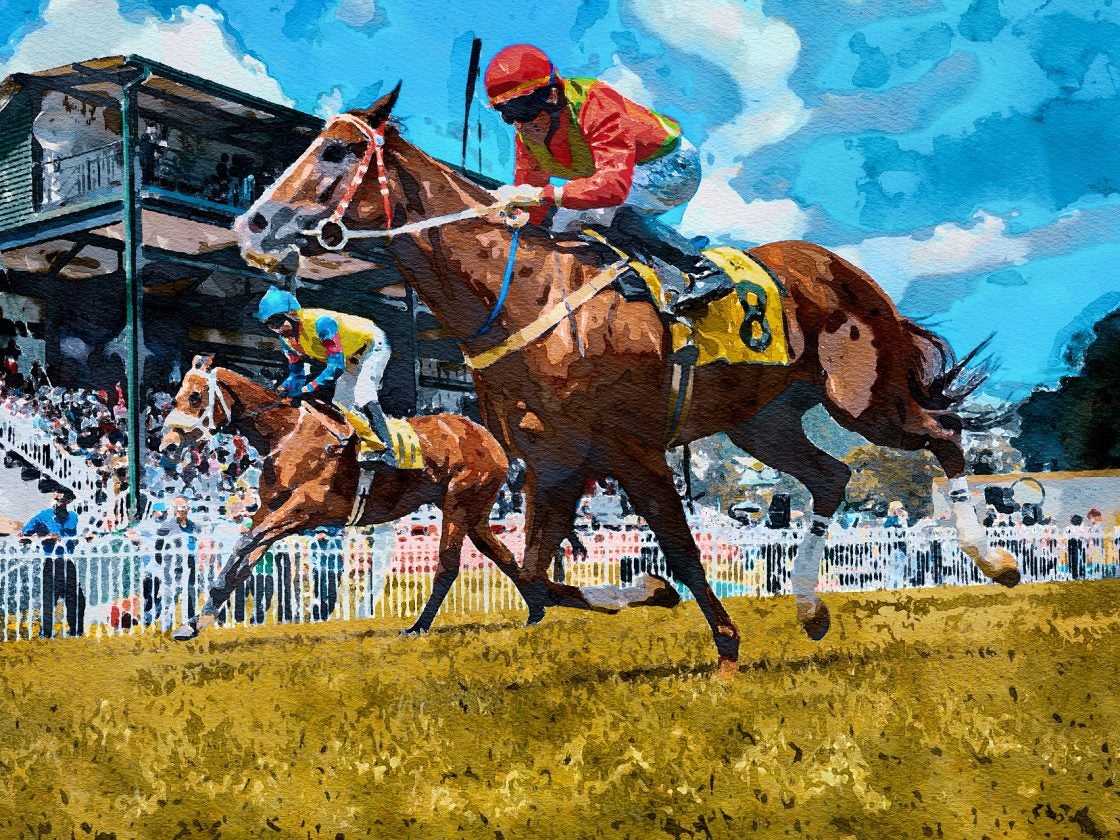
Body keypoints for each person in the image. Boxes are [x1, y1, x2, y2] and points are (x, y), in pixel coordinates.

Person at [484, 44, 735, 318]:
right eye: (506, 113)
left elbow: (612, 188)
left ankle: (705, 271)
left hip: (669, 164)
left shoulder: (595, 102)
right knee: (561, 224)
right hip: (622, 177)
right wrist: (519, 214)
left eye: (522, 109)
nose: (518, 123)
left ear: (552, 95)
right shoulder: (527, 132)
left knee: (609, 213)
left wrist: (541, 196)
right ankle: (646, 277)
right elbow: (530, 194)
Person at [257, 286, 397, 467]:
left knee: (364, 394)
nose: (277, 330)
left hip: (373, 344)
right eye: (270, 325)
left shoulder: (321, 323)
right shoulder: (287, 342)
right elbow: (296, 374)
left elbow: (336, 367)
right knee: (341, 401)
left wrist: (309, 388)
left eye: (277, 321)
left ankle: (390, 451)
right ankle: (371, 444)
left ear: (292, 314)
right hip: (350, 355)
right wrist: (285, 388)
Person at [20, 490, 85, 637]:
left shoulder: (73, 517)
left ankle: (76, 631)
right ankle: (46, 633)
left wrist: (82, 538)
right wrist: (45, 537)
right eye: (54, 499)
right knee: (50, 599)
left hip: (68, 562)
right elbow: (21, 535)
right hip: (51, 562)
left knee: (77, 599)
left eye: (60, 500)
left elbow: (72, 538)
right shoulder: (43, 516)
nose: (56, 503)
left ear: (67, 501)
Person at [309, 527, 344, 621]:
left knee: (332, 594)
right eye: (317, 533)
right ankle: (318, 616)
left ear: (325, 533)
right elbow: (312, 558)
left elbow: (340, 556)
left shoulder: (335, 542)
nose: (318, 534)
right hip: (320, 572)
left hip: (333, 571)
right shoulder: (314, 544)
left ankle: (325, 614)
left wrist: (340, 570)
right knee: (320, 594)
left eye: (320, 532)